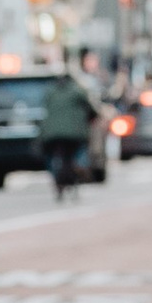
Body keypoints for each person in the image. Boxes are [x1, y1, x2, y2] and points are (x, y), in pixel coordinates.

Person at [36, 63, 96, 200]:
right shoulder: (78, 91)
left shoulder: (50, 92)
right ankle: (81, 167)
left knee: (51, 156)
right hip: (74, 133)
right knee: (79, 150)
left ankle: (57, 178)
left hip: (51, 134)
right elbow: (90, 109)